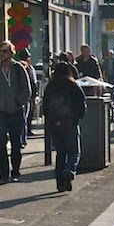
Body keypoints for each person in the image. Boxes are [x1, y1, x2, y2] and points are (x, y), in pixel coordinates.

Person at [0, 40, 31, 183]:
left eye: (4, 51)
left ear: (12, 53)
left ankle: (16, 172)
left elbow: (26, 90)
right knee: (0, 144)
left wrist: (18, 103)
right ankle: (3, 174)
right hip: (1, 112)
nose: (1, 54)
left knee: (16, 144)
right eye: (0, 51)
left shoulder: (18, 68)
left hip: (16, 112)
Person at [42, 61, 88, 192]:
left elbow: (45, 107)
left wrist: (50, 122)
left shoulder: (50, 86)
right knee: (74, 152)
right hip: (70, 123)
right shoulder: (72, 85)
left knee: (60, 153)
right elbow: (82, 104)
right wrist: (77, 118)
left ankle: (60, 184)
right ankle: (69, 170)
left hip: (55, 125)